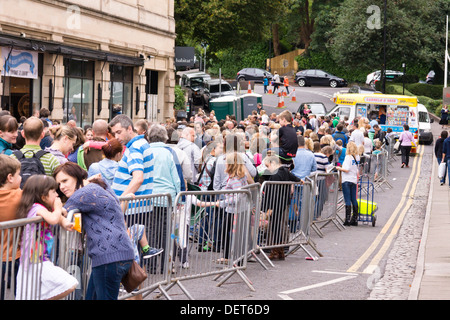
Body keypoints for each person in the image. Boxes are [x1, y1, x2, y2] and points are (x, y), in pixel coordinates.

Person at [54, 162, 135, 300]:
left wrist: (55, 204)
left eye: (65, 181)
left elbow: (61, 213)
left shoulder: (83, 194)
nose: (62, 187)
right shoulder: (100, 185)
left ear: (76, 176)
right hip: (120, 253)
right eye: (59, 184)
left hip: (108, 257)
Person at [15, 175, 78, 300]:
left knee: (28, 295)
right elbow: (53, 219)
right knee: (69, 283)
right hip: (34, 260)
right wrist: (59, 208)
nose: (57, 195)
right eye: (53, 191)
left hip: (38, 259)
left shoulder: (41, 209)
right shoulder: (36, 208)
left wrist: (64, 221)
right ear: (43, 197)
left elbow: (56, 217)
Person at [261, 154, 300, 260]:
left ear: (273, 163)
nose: (267, 168)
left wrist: (268, 208)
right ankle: (280, 250)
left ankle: (276, 250)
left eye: (267, 165)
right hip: (283, 203)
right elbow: (295, 178)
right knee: (278, 227)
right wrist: (301, 181)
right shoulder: (285, 171)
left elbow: (272, 192)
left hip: (275, 203)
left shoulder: (275, 175)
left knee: (275, 227)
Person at [110, 114, 153, 200]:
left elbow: (138, 179)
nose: (116, 137)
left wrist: (121, 200)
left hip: (132, 208)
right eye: (114, 133)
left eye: (119, 132)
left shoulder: (135, 148)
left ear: (129, 129)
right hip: (139, 206)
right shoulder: (142, 143)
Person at [0, 155, 22, 300]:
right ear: (10, 178)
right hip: (13, 254)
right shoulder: (19, 195)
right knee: (18, 291)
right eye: (18, 175)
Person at [336, 142, 360, 226]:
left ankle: (347, 219)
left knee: (347, 199)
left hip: (346, 179)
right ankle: (355, 219)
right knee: (353, 198)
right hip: (353, 179)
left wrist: (339, 168)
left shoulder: (348, 157)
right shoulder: (357, 157)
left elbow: (346, 169)